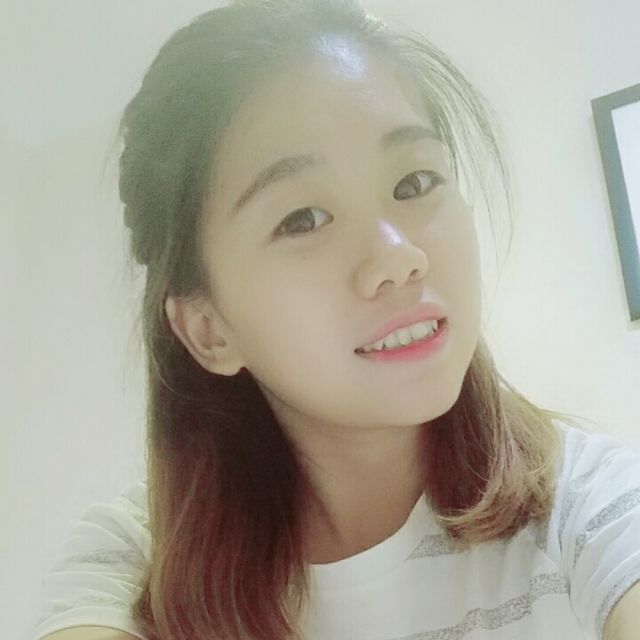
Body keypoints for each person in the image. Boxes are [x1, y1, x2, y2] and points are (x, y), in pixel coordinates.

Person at [32, 1, 640, 639]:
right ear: (209, 329)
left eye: (414, 183)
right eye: (302, 219)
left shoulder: (589, 506)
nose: (398, 256)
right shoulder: (137, 566)